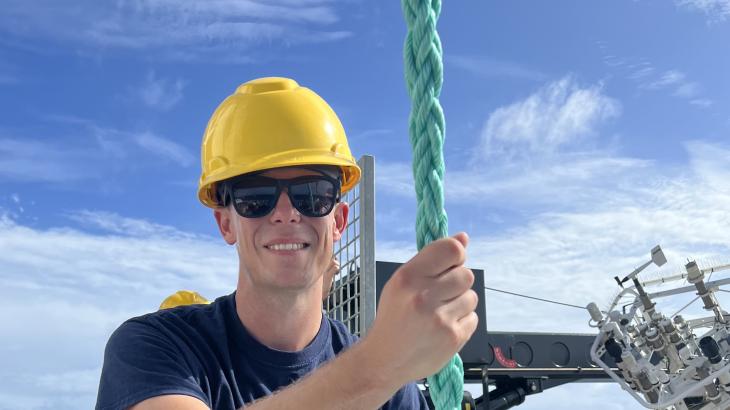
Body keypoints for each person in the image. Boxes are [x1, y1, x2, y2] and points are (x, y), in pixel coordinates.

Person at [95, 77, 478, 410]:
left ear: (339, 221)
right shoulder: (155, 349)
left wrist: (383, 369)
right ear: (225, 223)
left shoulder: (394, 393)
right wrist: (378, 365)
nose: (285, 213)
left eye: (311, 195)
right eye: (255, 197)